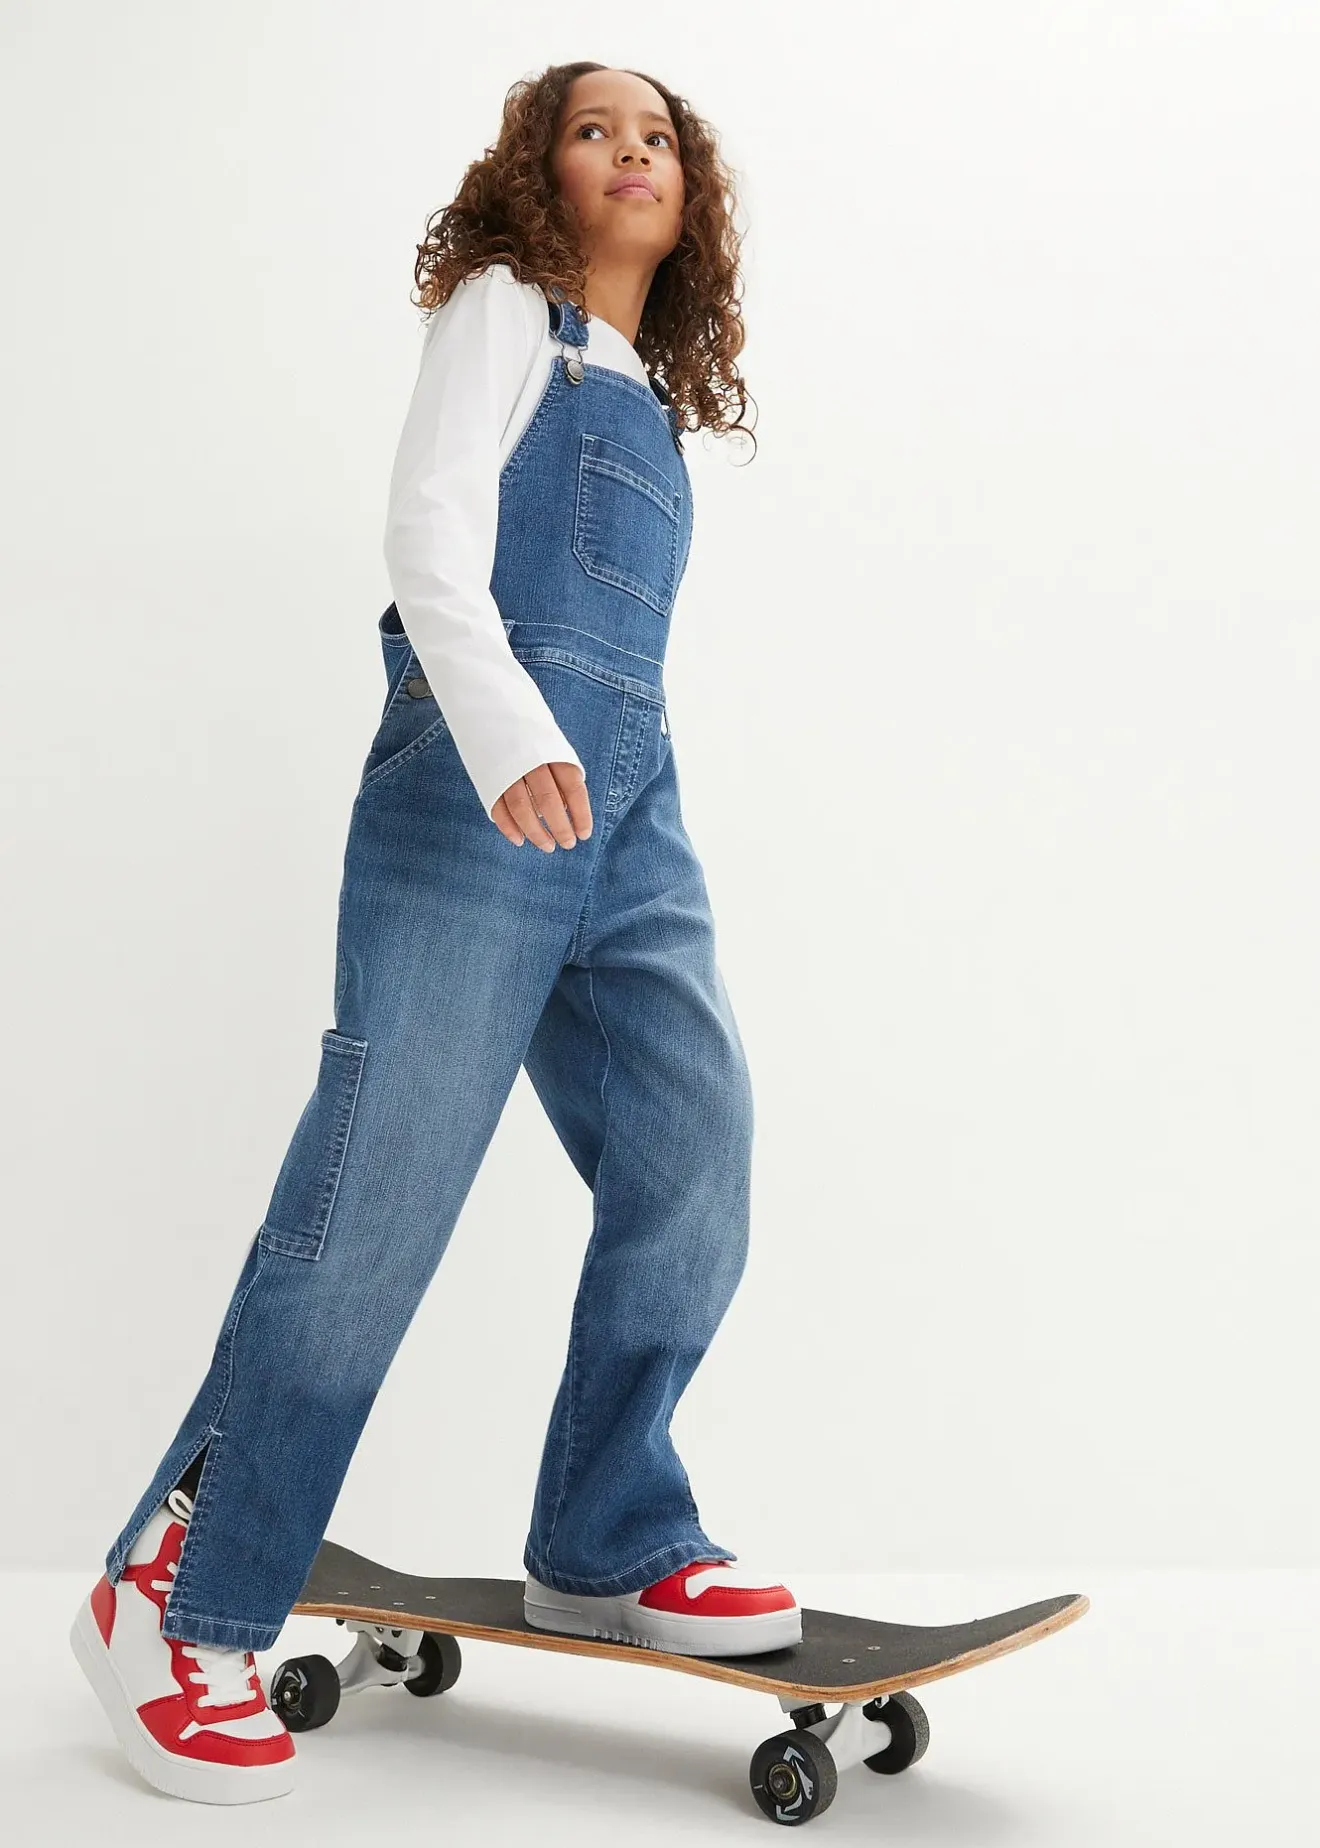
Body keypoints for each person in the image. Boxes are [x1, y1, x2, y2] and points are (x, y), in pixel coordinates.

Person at [70, 60, 798, 1807]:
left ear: (690, 200)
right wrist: (509, 730)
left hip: (626, 805)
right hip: (480, 782)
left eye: (659, 138)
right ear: (539, 173)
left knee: (694, 1147)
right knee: (376, 1200)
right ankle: (173, 1594)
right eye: (593, 129)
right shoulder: (503, 315)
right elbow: (427, 534)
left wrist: (598, 770)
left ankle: (609, 1533)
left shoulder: (648, 395)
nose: (631, 152)